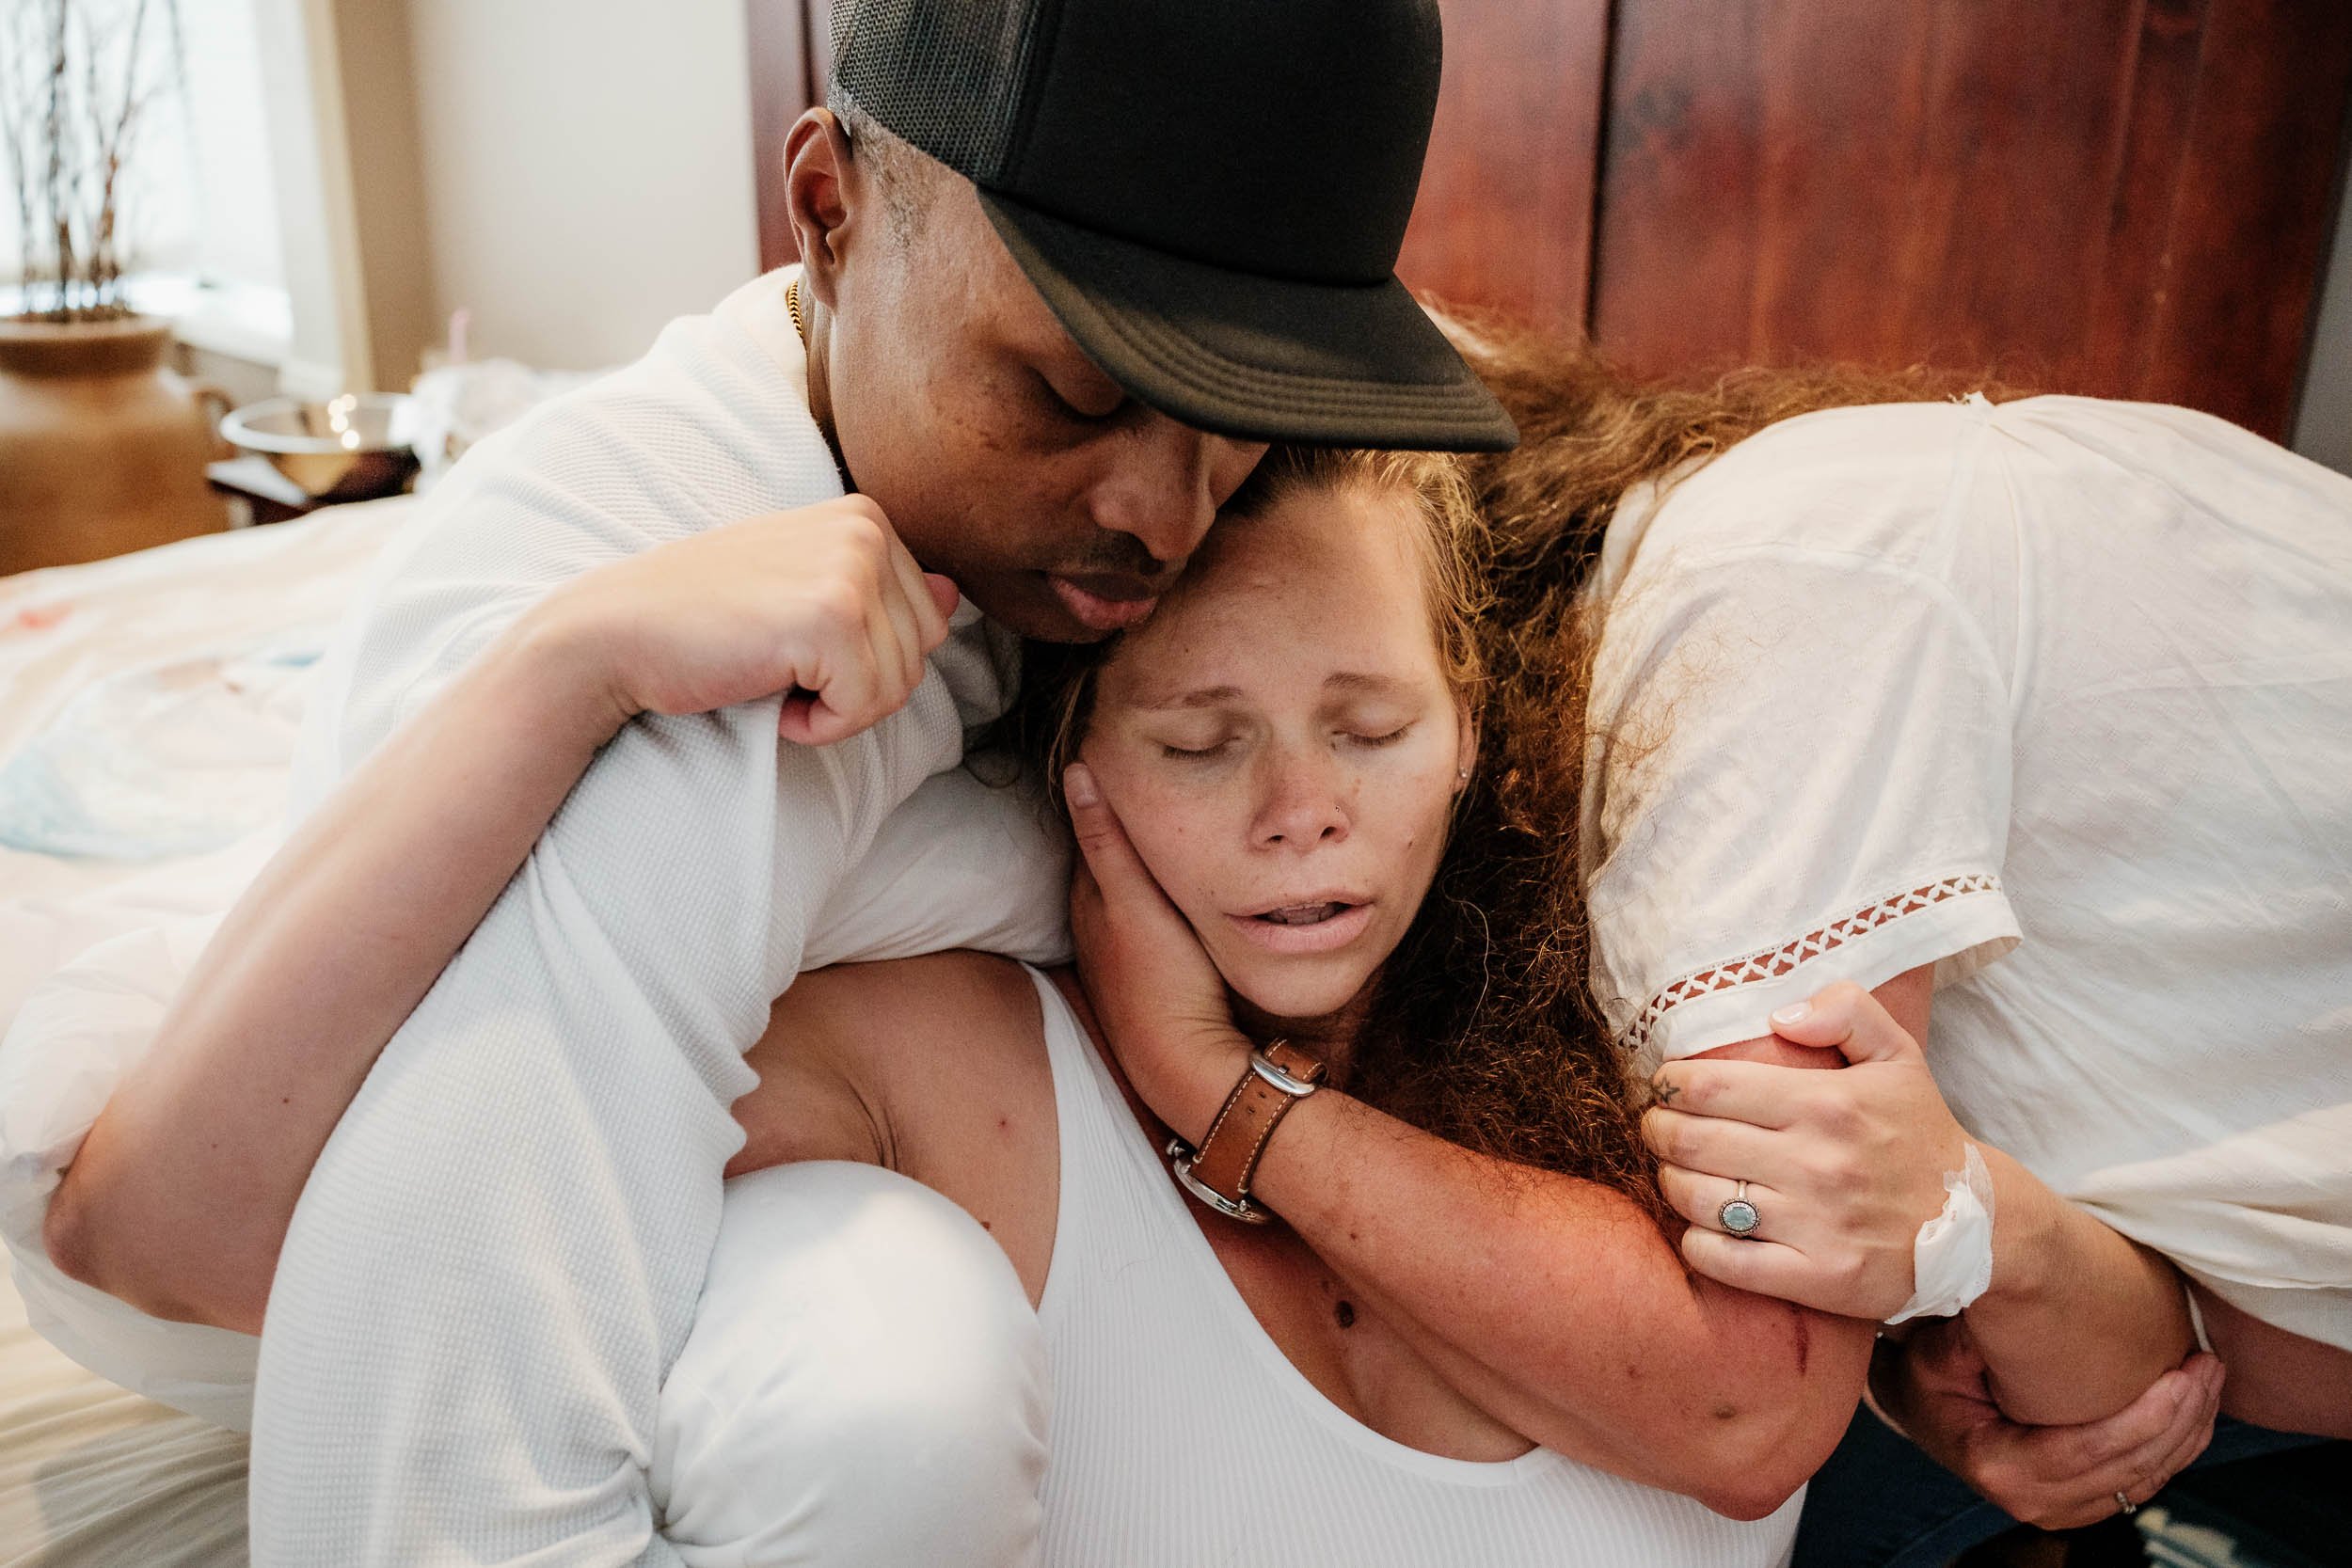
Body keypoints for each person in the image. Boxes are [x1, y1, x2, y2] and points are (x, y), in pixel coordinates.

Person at [14, 2, 1521, 1561]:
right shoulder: (676, 650)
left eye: (1235, 420)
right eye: (1071, 396)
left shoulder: (1153, 540)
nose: (1159, 512)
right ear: (828, 212)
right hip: (324, 1272)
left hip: (813, 1124)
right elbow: (182, 1235)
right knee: (882, 1374)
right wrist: (573, 667)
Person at [55, 445, 1894, 1563]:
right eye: (1197, 739)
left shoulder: (1653, 992)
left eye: (1366, 725)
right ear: (1072, 760)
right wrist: (562, 672)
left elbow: (1765, 1417)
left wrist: (1223, 1093)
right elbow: (265, 1226)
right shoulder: (946, 1065)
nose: (1295, 811)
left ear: (1473, 726)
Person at [1446, 333, 2352, 1562]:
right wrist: (1944, 1303)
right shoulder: (1757, 559)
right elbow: (2137, 1334)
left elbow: (1751, 1410)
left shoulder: (1761, 593)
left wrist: (1244, 1109)